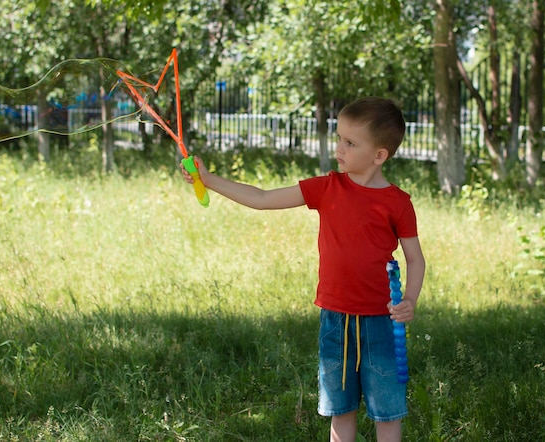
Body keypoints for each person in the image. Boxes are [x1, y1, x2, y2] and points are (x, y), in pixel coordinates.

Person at [181, 97, 425, 442]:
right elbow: (263, 198)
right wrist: (209, 179)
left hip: (382, 322)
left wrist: (410, 300)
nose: (339, 148)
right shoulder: (327, 187)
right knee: (340, 410)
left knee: (386, 411)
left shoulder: (397, 203)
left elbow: (415, 258)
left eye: (350, 143)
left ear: (380, 154)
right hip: (335, 319)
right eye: (339, 138)